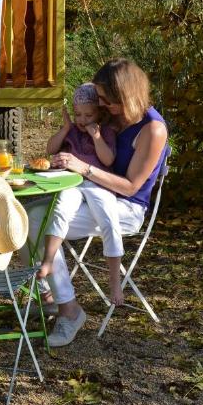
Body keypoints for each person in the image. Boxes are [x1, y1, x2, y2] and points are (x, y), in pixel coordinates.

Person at [30, 59, 168, 348]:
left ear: (126, 95)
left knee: (37, 223)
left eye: (106, 99)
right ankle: (51, 296)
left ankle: (69, 311)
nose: (102, 104)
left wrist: (83, 168)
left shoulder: (152, 129)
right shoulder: (113, 117)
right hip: (89, 193)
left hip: (125, 207)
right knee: (26, 215)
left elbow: (131, 186)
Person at [38, 83, 117, 293]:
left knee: (108, 218)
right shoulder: (72, 131)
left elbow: (108, 160)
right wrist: (65, 129)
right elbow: (50, 149)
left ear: (99, 113)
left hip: (98, 183)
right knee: (61, 208)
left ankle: (115, 279)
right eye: (78, 114)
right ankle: (48, 261)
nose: (82, 120)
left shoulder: (106, 132)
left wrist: (97, 137)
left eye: (88, 115)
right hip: (72, 182)